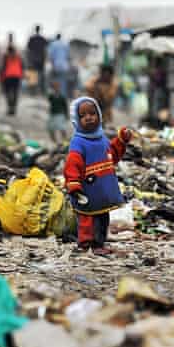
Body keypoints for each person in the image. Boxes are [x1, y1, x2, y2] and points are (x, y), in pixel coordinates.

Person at [64, 97, 134, 255]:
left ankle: (98, 244)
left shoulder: (102, 139)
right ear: (77, 120)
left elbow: (112, 156)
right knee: (87, 220)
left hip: (102, 190)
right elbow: (72, 165)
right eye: (83, 115)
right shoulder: (78, 142)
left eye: (92, 113)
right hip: (88, 190)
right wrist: (74, 184)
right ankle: (84, 244)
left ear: (99, 115)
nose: (88, 117)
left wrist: (121, 141)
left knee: (103, 219)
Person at [0, 45, 24, 116]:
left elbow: (2, 67)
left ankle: (10, 107)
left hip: (8, 76)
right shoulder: (18, 56)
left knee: (7, 93)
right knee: (15, 92)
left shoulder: (6, 56)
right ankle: (14, 108)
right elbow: (22, 66)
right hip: (17, 76)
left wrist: (1, 77)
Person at [26, 25, 48, 94]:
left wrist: (29, 59)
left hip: (33, 59)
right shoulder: (43, 39)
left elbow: (28, 49)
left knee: (33, 75)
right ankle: (42, 90)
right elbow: (46, 49)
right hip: (41, 59)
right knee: (41, 75)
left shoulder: (32, 38)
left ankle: (33, 91)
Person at [47, 80, 69, 144]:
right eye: (55, 87)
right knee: (50, 128)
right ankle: (55, 141)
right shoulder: (52, 95)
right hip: (53, 114)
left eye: (57, 87)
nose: (56, 88)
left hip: (60, 113)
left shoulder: (62, 96)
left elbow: (65, 106)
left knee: (62, 128)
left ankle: (65, 140)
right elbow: (49, 100)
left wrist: (66, 114)